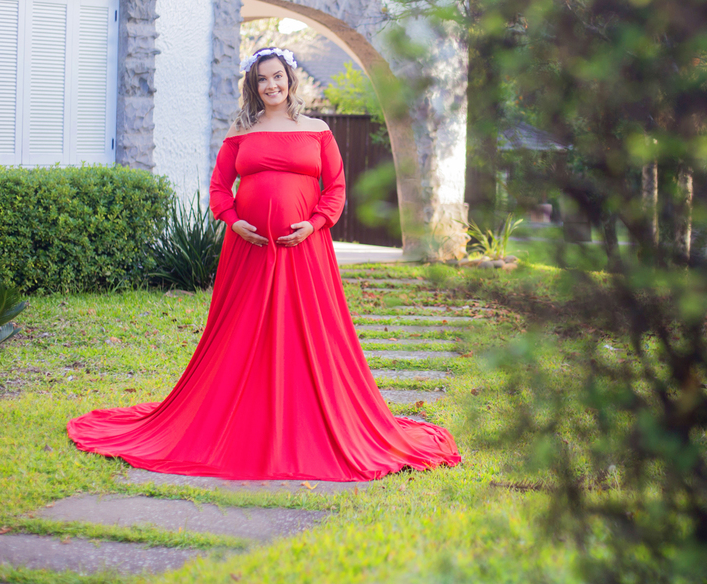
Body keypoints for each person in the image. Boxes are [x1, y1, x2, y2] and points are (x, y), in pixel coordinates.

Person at [67, 47, 461, 480]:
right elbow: (219, 187)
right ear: (253, 87)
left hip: (304, 250)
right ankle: (243, 412)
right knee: (242, 330)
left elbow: (336, 188)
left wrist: (313, 225)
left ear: (290, 80)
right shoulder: (241, 131)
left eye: (278, 77)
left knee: (307, 328)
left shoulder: (317, 129)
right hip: (249, 251)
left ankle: (307, 415)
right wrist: (234, 223)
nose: (271, 86)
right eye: (262, 80)